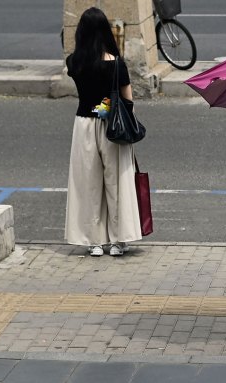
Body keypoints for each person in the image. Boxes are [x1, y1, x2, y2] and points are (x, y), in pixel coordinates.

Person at [64, 7, 142, 257]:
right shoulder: (117, 64)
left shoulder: (74, 62)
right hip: (112, 126)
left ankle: (94, 241)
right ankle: (119, 240)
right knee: (116, 181)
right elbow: (128, 99)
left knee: (88, 184)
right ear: (106, 32)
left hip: (84, 125)